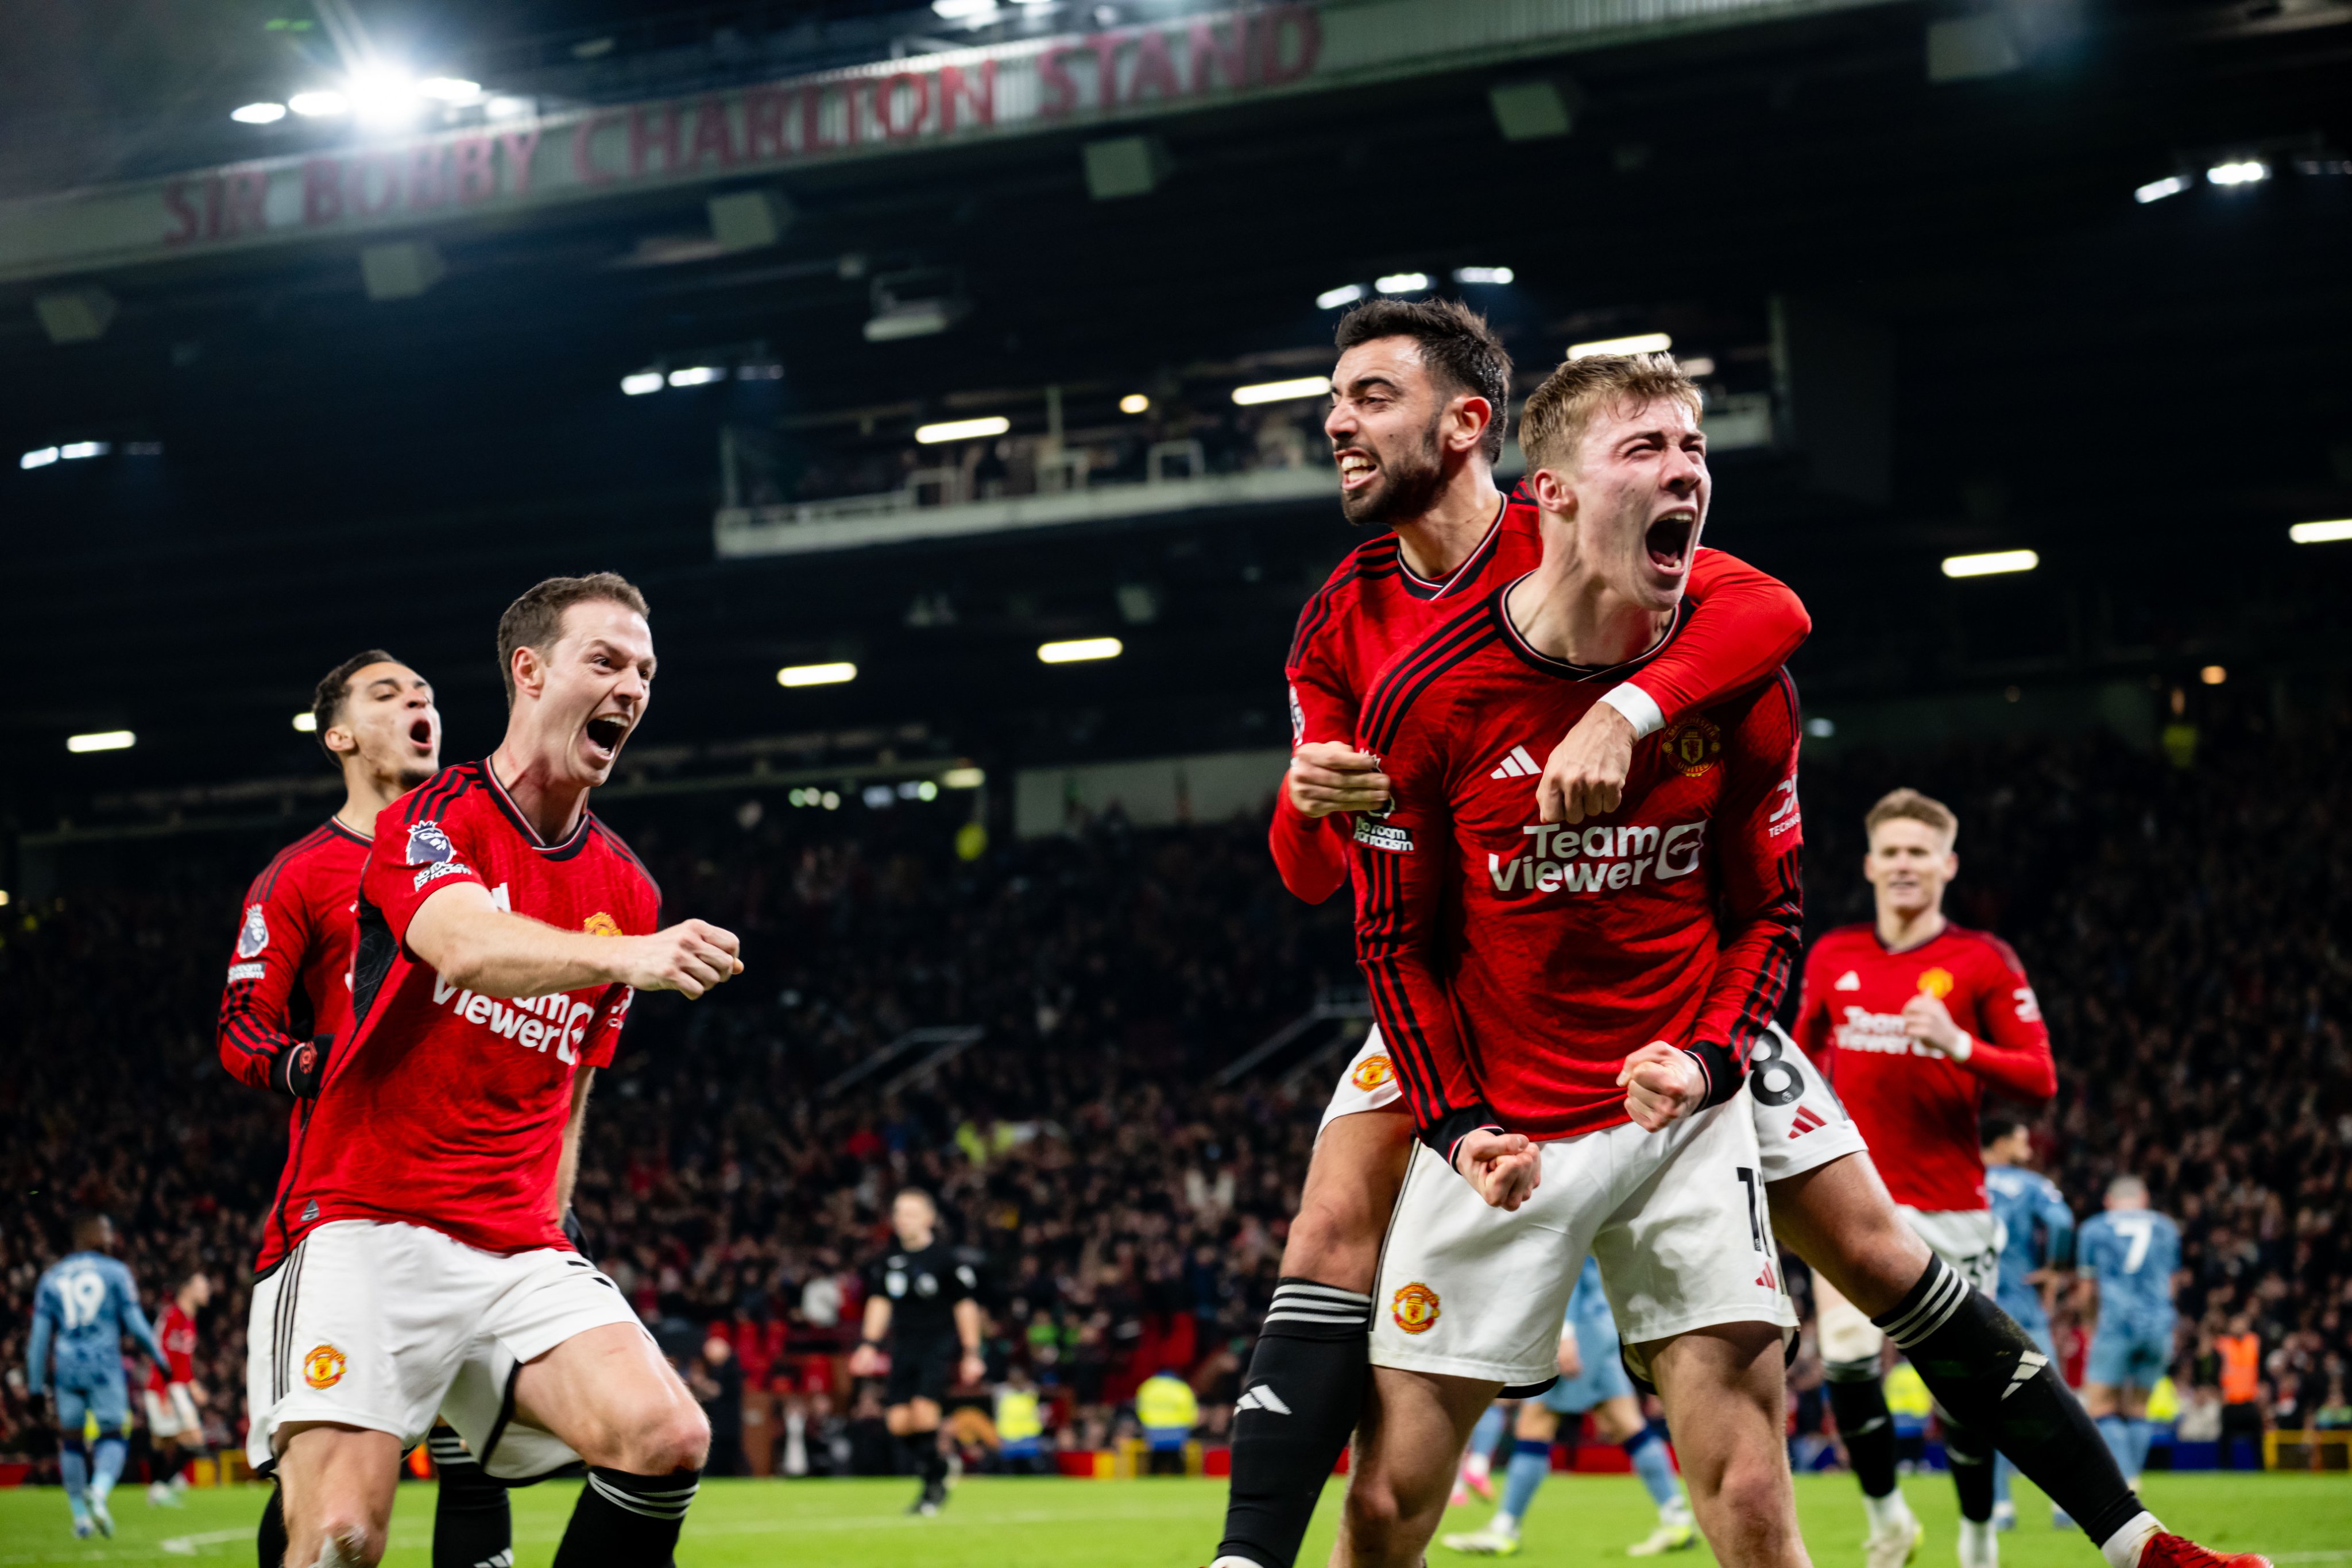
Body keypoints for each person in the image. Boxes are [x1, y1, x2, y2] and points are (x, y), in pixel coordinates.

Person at [1214, 295, 1815, 1568]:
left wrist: (1631, 712)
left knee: (1870, 1251)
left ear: (1470, 426)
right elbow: (1317, 877)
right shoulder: (1342, 618)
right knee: (1328, 1225)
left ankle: (2118, 1530)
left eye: (1369, 398)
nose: (1335, 423)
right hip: (1485, 984)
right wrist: (1305, 799)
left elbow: (1766, 614)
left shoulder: (1574, 535)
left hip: (1669, 978)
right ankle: (1247, 1556)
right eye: (1335, 401)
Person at [241, 572, 745, 1568]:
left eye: (644, 670)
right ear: (529, 671)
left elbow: (576, 1081)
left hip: (514, 1245)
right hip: (363, 1225)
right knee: (341, 1536)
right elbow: (462, 942)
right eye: (604, 661)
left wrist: (555, 1212)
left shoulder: (626, 885)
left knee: (667, 1436)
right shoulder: (426, 821)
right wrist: (626, 957)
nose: (630, 687)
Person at [218, 649, 521, 1568]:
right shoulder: (302, 874)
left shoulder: (486, 855)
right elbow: (243, 1027)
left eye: (425, 692)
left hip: (488, 1192)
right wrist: (318, 1061)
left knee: (479, 1461)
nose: (418, 701)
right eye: (388, 694)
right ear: (339, 736)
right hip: (352, 1199)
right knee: (324, 1479)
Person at [1794, 787, 2061, 1568]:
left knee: (1963, 1391)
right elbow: (1801, 1062)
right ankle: (1889, 1523)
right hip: (1851, 1199)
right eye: (1893, 850)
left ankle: (1977, 1535)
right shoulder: (1834, 954)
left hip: (1951, 1208)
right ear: (1871, 862)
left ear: (1947, 865)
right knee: (1844, 1363)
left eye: (1921, 851)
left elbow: (2041, 1078)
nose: (1905, 864)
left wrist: (1959, 1043)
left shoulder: (1984, 960)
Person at [1441, 1259, 1696, 1558]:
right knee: (1625, 1422)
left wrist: (1566, 1334)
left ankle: (1504, 1529)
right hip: (1598, 1321)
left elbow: (1567, 1263)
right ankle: (1677, 1520)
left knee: (1535, 1421)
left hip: (1579, 1327)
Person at [26, 1214, 173, 1539]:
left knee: (72, 1442)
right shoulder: (115, 1272)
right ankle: (100, 1490)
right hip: (105, 1367)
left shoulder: (52, 1278)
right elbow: (134, 1322)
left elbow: (38, 1339)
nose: (112, 1238)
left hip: (67, 1370)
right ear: (93, 1236)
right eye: (107, 1232)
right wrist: (160, 1358)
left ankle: (79, 1516)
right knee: (113, 1436)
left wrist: (35, 1387)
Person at [849, 1188, 987, 1515]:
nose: (903, 1219)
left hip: (937, 1345)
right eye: (899, 1213)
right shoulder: (888, 1261)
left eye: (911, 1213)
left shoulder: (946, 1259)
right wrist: (869, 1345)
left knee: (924, 1412)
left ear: (929, 1218)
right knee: (897, 1422)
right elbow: (879, 1303)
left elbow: (965, 1307)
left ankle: (931, 1487)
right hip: (904, 1346)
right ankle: (939, 1466)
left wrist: (971, 1352)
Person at [1981, 1116, 2075, 1529]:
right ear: (1999, 1142)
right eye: (2021, 1139)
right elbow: (2062, 1222)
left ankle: (2000, 1507)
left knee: (1988, 1408)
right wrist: (2053, 1268)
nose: (2030, 1147)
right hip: (2023, 1303)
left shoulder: (1962, 1178)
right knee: (2051, 1399)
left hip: (1976, 1307)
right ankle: (2064, 1504)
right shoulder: (2032, 1184)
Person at [2076, 1178, 2183, 1485]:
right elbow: (2172, 1284)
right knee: (2138, 1407)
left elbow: (2087, 1289)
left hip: (2116, 1324)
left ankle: (2126, 1480)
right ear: (2144, 1198)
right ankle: (2133, 1476)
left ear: (2109, 1201)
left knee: (2099, 1405)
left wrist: (2090, 1323)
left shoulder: (2095, 1229)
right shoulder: (2166, 1227)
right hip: (2159, 1325)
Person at [142, 1271, 212, 1508]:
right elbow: (159, 1355)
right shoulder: (171, 1316)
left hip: (179, 1387)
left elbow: (182, 1362)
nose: (207, 1292)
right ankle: (162, 1485)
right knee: (188, 1439)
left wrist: (193, 1387)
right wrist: (163, 1393)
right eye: (202, 1287)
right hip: (165, 1387)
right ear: (186, 1289)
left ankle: (164, 1484)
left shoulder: (189, 1320)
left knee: (169, 1441)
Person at [1140, 1368, 1203, 1474]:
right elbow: (1190, 1409)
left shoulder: (1149, 1387)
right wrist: (1190, 1425)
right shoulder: (1181, 1387)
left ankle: (1152, 1476)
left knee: (1156, 1458)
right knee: (1176, 1458)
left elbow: (1141, 1408)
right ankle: (1179, 1476)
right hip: (1177, 1428)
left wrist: (1146, 1424)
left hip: (1154, 1427)